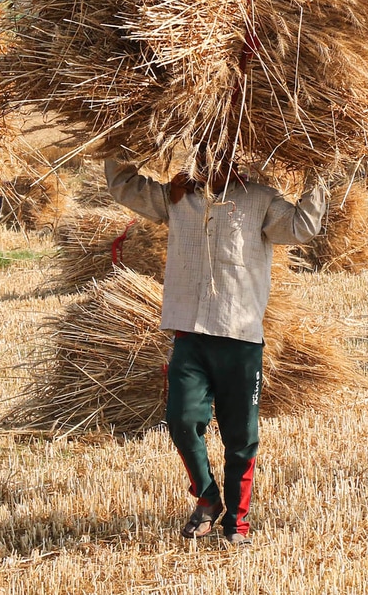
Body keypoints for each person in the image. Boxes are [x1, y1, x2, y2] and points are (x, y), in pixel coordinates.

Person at [105, 149, 328, 547]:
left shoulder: (262, 199)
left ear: (236, 161)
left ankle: (237, 525)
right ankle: (207, 497)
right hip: (189, 334)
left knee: (240, 437)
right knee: (181, 420)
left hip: (240, 339)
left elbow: (302, 227)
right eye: (205, 157)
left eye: (221, 157)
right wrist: (121, 142)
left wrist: (317, 171)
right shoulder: (178, 197)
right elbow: (123, 185)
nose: (211, 166)